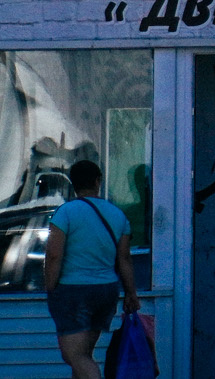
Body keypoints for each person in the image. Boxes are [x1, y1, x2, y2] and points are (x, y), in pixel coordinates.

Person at [42, 161, 138, 379]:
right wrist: (131, 293)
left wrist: (50, 285)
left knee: (75, 356)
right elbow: (124, 258)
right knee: (83, 354)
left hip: (73, 292)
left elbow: (54, 254)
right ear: (98, 181)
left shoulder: (65, 213)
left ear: (73, 184)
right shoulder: (117, 215)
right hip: (106, 291)